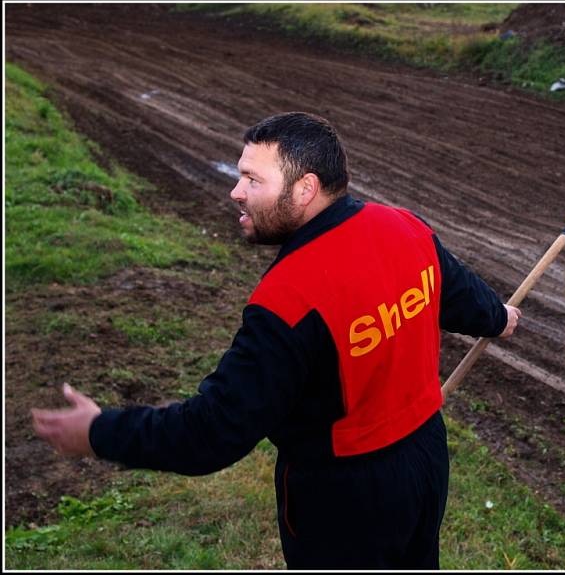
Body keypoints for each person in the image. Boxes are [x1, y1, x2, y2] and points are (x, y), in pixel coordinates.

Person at [31, 111, 521, 569]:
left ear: (305, 188)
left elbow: (211, 432)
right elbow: (463, 295)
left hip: (341, 499)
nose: (235, 192)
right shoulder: (403, 226)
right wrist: (499, 318)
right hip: (426, 462)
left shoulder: (287, 299)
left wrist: (99, 433)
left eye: (252, 180)